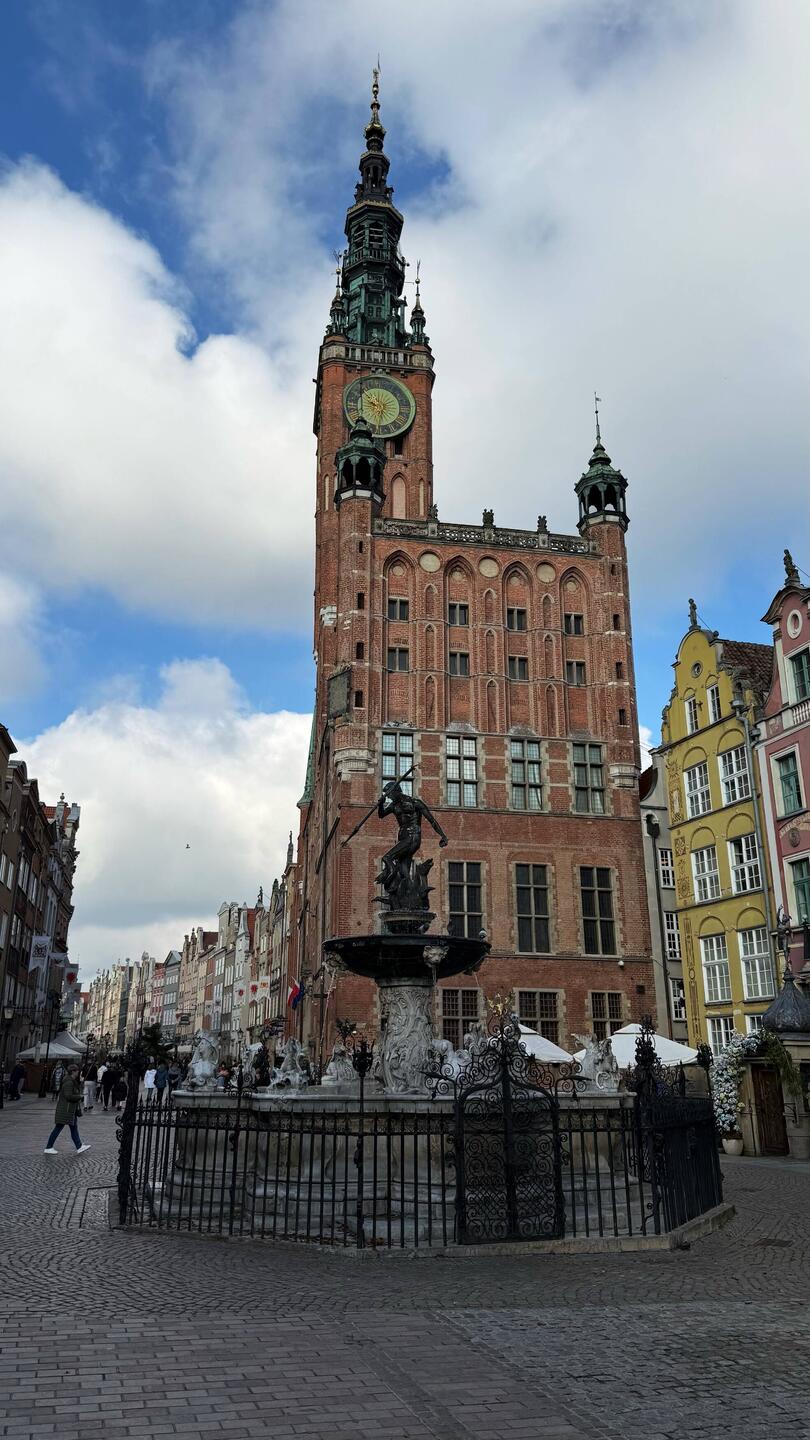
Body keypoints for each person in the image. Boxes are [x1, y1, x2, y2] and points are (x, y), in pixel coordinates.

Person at [44, 1063, 91, 1154]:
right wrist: (79, 1096)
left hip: (69, 1109)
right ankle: (48, 1147)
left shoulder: (70, 1081)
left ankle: (79, 1146)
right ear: (73, 1071)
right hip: (66, 1109)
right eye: (77, 1071)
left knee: (73, 1128)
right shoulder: (69, 1082)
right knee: (59, 1128)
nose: (78, 1073)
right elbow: (68, 1096)